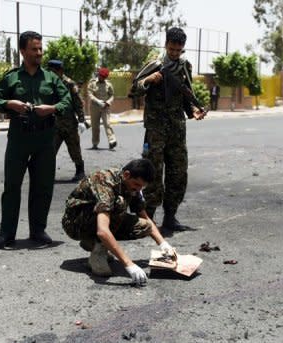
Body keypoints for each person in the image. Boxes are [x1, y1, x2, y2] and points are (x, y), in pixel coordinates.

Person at [0, 31, 72, 249]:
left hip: (45, 140)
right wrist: (9, 104)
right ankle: (6, 234)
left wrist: (52, 108)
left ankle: (38, 231)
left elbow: (67, 100)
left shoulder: (51, 78)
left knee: (43, 186)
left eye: (40, 49)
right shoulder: (12, 77)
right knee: (12, 187)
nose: (39, 53)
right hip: (19, 138)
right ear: (23, 51)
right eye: (34, 49)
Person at [133, 27, 206, 234]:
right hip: (156, 129)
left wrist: (193, 110)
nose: (175, 53)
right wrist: (149, 80)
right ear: (166, 45)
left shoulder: (184, 67)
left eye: (178, 50)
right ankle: (148, 217)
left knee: (178, 172)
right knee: (152, 172)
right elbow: (134, 87)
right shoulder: (155, 63)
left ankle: (170, 216)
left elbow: (185, 95)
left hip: (176, 128)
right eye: (172, 49)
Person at [62, 158, 177, 286]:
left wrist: (163, 244)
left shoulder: (130, 184)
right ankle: (98, 252)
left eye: (141, 187)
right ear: (127, 175)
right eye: (137, 184)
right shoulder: (105, 182)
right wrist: (129, 264)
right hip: (75, 223)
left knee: (145, 226)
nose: (138, 189)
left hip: (96, 220)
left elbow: (144, 216)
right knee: (119, 203)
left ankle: (93, 243)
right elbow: (102, 230)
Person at [47, 59, 87, 182]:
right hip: (54, 124)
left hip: (69, 124)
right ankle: (46, 174)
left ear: (60, 71)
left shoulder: (69, 83)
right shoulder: (49, 83)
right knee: (49, 150)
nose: (51, 73)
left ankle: (80, 172)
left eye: (53, 71)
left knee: (74, 149)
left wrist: (81, 120)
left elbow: (78, 103)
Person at [87, 67, 117, 150]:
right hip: (94, 107)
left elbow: (112, 95)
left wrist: (108, 102)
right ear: (99, 75)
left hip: (105, 107)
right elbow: (90, 94)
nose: (102, 78)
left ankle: (112, 141)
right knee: (95, 126)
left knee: (107, 124)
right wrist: (97, 101)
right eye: (101, 76)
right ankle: (95, 143)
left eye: (104, 77)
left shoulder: (109, 84)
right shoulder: (92, 83)